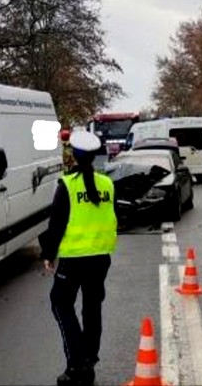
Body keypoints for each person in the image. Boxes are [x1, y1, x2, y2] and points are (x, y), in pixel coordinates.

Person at [41, 130, 118, 386]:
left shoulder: (68, 185)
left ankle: (76, 365)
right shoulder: (107, 183)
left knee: (60, 304)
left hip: (74, 258)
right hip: (101, 257)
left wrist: (48, 255)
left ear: (72, 155)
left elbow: (56, 225)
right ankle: (89, 360)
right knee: (92, 308)